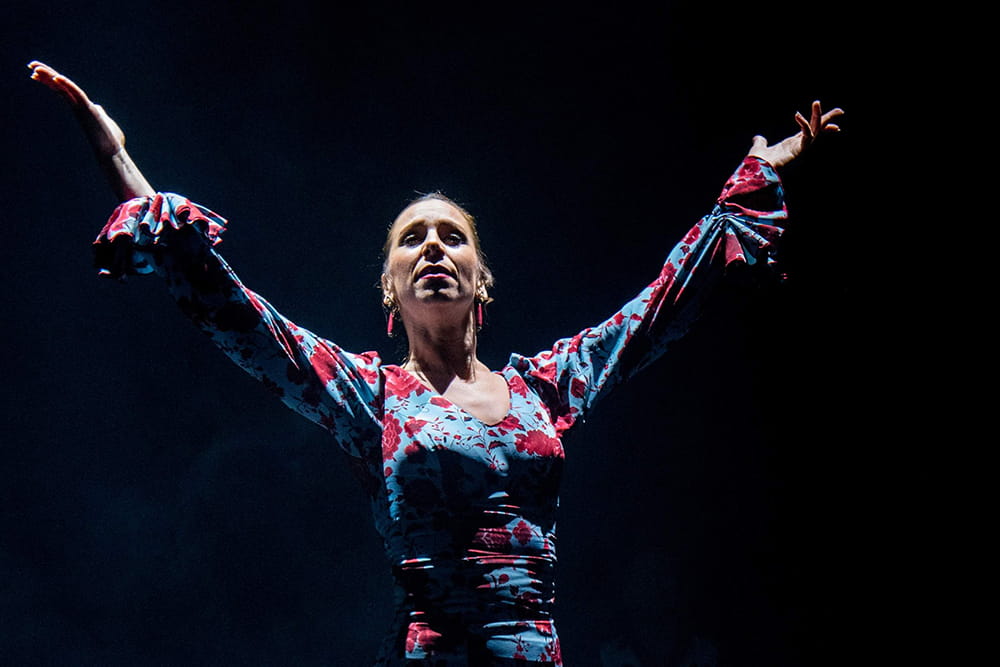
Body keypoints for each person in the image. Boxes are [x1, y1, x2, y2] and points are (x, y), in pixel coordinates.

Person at [28, 60, 842, 665]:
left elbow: (660, 301)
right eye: (411, 239)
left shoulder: (548, 385)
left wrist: (758, 173)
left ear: (482, 279)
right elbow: (238, 311)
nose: (433, 248)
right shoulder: (370, 397)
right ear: (389, 291)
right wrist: (123, 165)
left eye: (451, 235)